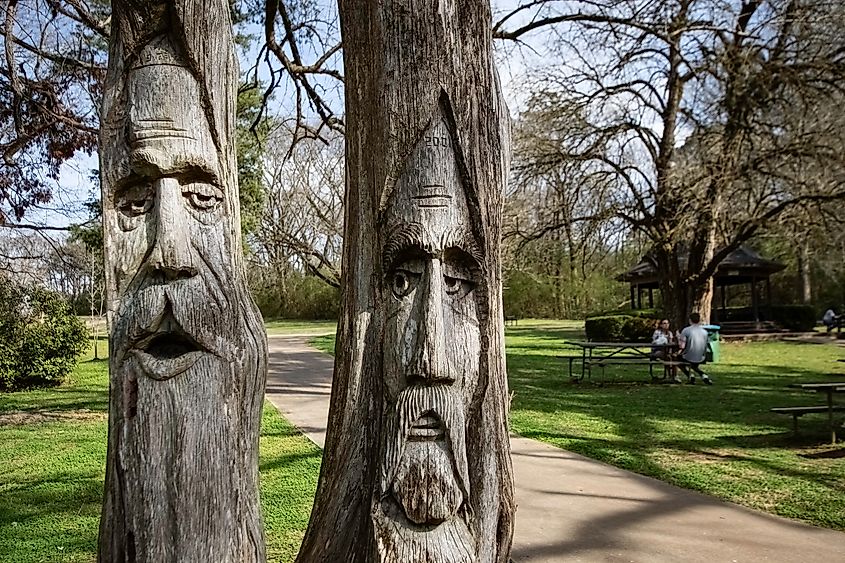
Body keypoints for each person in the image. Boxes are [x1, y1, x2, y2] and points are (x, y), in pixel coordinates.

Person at [677, 312, 713, 385]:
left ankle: (690, 375)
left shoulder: (686, 330)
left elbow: (682, 346)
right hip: (701, 356)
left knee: (677, 360)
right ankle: (703, 376)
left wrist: (678, 337)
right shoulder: (705, 332)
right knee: (694, 365)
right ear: (699, 320)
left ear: (690, 320)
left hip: (688, 356)